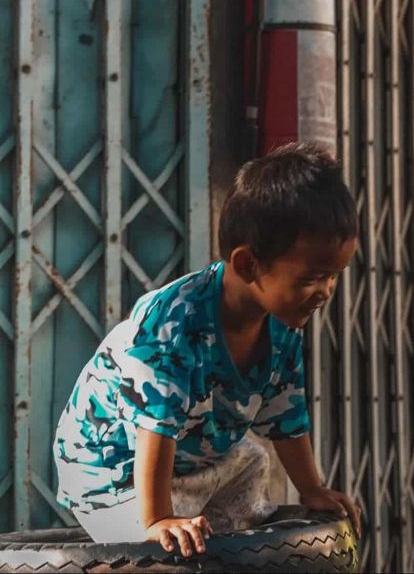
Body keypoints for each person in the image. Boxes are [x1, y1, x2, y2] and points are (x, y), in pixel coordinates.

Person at [53, 143, 362, 556]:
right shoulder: (174, 322)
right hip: (117, 467)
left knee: (252, 462)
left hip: (197, 456)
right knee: (166, 551)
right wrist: (158, 519)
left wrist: (313, 490)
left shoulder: (284, 327)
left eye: (333, 277)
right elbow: (153, 428)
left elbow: (287, 420)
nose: (325, 292)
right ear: (248, 265)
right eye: (313, 278)